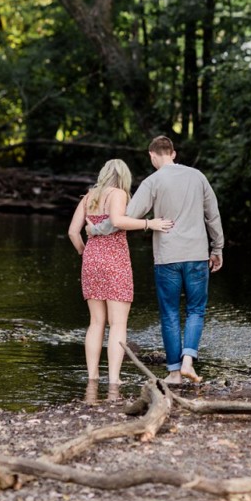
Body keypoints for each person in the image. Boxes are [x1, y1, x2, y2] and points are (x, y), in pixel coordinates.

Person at [92, 136, 224, 384]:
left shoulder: (152, 181)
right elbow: (212, 215)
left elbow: (126, 217)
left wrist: (96, 229)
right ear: (173, 153)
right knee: (196, 310)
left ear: (152, 156)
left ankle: (174, 373)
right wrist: (218, 248)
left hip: (166, 258)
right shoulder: (198, 176)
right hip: (197, 254)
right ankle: (188, 361)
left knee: (170, 313)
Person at [67, 159, 173, 387]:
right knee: (117, 324)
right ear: (124, 176)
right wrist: (149, 224)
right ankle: (114, 380)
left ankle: (92, 377)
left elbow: (73, 232)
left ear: (103, 174)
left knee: (96, 322)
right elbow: (118, 221)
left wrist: (85, 253)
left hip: (92, 260)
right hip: (115, 261)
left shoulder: (89, 196)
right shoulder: (119, 194)